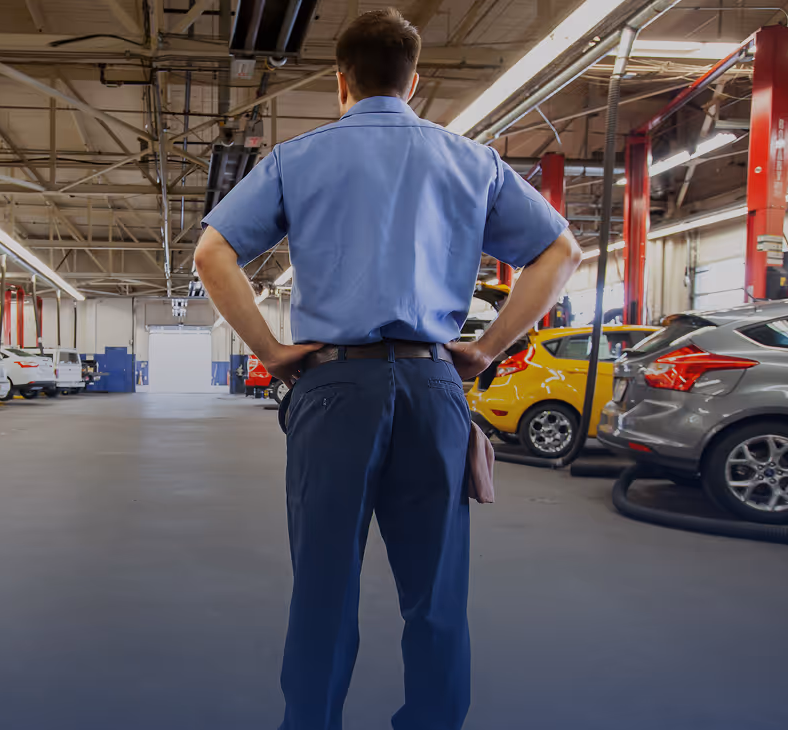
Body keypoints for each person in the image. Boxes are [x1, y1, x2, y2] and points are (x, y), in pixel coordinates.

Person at [193, 9, 582, 730]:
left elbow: (211, 253)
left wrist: (272, 353)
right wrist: (487, 347)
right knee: (435, 594)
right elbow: (561, 252)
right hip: (436, 386)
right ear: (416, 81)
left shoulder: (297, 158)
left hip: (335, 387)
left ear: (340, 81)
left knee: (323, 590)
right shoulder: (471, 161)